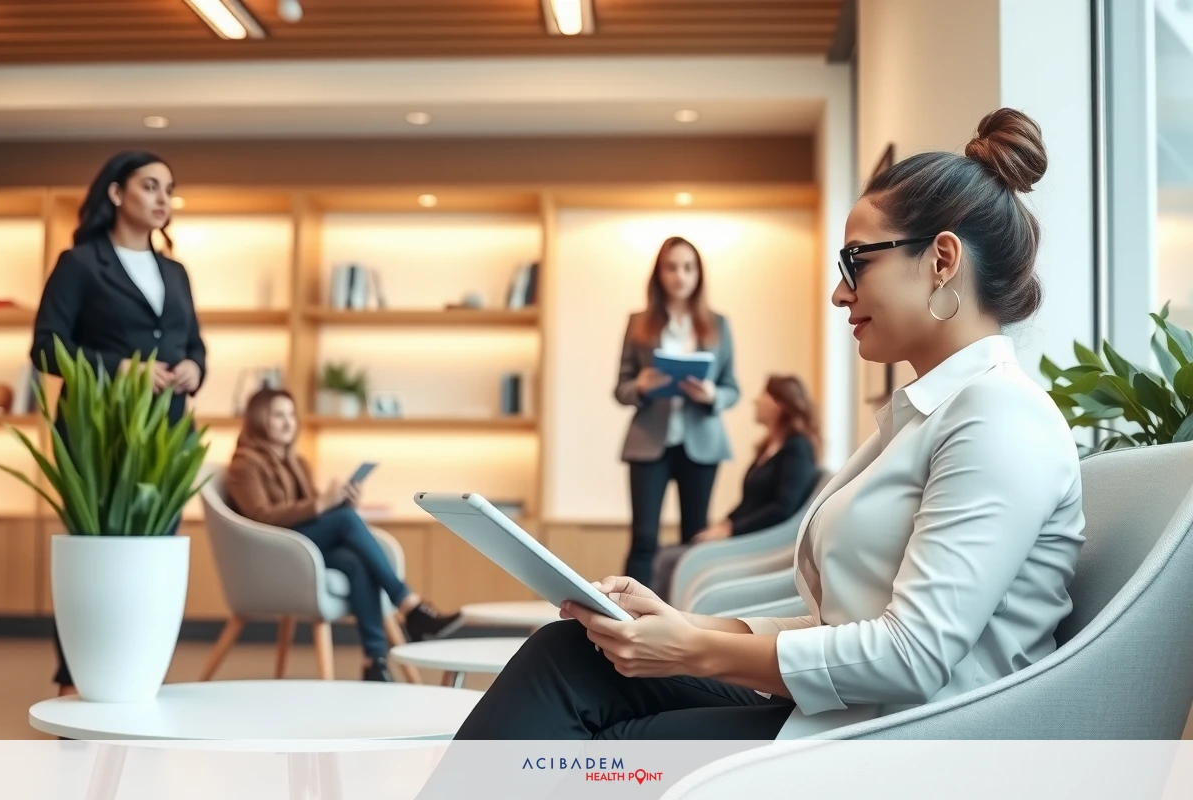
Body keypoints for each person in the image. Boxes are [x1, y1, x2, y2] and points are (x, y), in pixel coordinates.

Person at [446, 108, 1085, 740]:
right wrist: (683, 624)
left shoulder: (1000, 417)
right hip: (848, 711)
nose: (841, 293)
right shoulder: (932, 414)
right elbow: (850, 627)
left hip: (901, 741)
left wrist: (690, 651)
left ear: (943, 260)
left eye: (855, 262)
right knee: (571, 655)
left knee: (606, 763)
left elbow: (910, 656)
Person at [31, 150, 207, 698]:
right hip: (98, 433)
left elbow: (194, 343)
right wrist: (123, 370)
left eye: (169, 189)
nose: (163, 199)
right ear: (116, 193)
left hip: (164, 436)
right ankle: (73, 679)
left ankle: (135, 672)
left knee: (152, 551)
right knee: (95, 554)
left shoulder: (175, 272)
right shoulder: (80, 263)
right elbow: (47, 350)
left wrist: (193, 368)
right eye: (150, 186)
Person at [226, 388, 461, 682]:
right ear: (260, 419)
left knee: (354, 561)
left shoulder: (297, 463)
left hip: (302, 547)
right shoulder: (244, 465)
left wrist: (341, 501)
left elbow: (314, 512)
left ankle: (373, 660)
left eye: (290, 415)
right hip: (275, 548)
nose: (288, 422)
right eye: (278, 415)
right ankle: (409, 605)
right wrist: (324, 504)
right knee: (346, 521)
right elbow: (261, 516)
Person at [615, 236, 739, 588]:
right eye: (671, 267)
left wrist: (712, 394)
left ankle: (685, 621)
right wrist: (640, 385)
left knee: (695, 538)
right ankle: (626, 619)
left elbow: (733, 388)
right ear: (659, 274)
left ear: (698, 273)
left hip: (701, 444)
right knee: (643, 538)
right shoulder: (637, 323)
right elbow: (620, 388)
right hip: (648, 443)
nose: (680, 275)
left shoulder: (718, 324)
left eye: (688, 267)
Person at [649, 374, 820, 602]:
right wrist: (725, 523)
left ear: (780, 404)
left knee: (669, 559)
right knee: (665, 554)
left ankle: (658, 627)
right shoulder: (768, 446)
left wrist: (732, 530)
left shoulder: (797, 448)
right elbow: (749, 502)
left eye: (764, 395)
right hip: (746, 534)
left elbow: (782, 508)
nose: (756, 401)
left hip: (761, 542)